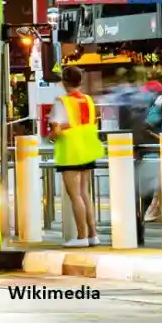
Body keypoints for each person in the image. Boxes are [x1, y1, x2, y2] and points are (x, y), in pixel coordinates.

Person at [49, 66, 105, 247]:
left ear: (64, 82)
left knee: (75, 195)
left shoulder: (61, 101)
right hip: (88, 150)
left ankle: (81, 237)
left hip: (71, 152)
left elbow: (56, 130)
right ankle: (93, 235)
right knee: (84, 194)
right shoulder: (88, 100)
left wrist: (52, 136)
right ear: (80, 82)